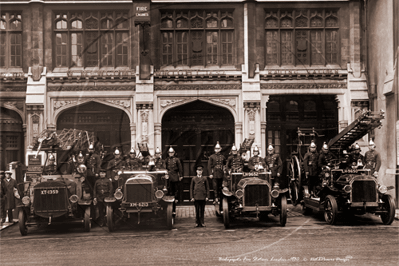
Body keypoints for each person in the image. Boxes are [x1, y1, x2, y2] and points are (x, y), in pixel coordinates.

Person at [165, 146, 183, 215]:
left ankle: (174, 208)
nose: (171, 154)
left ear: (174, 153)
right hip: (169, 177)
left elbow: (180, 168)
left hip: (175, 177)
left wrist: (180, 175)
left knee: (175, 193)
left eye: (172, 152)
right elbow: (165, 168)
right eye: (170, 152)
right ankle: (170, 209)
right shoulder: (166, 160)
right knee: (169, 192)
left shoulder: (177, 160)